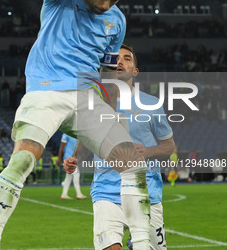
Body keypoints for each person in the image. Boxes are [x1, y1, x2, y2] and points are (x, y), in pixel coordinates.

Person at [0, 0, 151, 249]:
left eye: (114, 0)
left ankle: (142, 244)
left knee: (134, 166)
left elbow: (107, 75)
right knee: (23, 160)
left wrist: (109, 114)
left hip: (88, 98)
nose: (107, 5)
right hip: (47, 90)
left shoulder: (117, 20)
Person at [66, 45, 175, 250]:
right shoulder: (95, 103)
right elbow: (87, 139)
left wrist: (149, 151)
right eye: (116, 58)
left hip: (146, 193)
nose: (120, 61)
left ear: (135, 70)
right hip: (107, 192)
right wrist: (76, 158)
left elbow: (169, 146)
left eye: (127, 58)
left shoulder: (151, 104)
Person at [57, 133, 87, 200]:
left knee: (69, 177)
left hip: (73, 157)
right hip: (69, 157)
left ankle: (64, 194)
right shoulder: (67, 134)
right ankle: (79, 194)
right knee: (76, 175)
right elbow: (62, 147)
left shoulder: (75, 134)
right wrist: (59, 158)